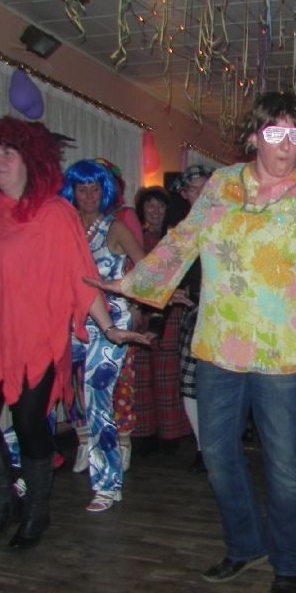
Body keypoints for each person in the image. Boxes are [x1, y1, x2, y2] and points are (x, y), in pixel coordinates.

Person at [91, 92, 296, 593]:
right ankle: (246, 544)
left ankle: (289, 560)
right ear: (254, 136)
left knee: (285, 462)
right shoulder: (221, 184)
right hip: (220, 342)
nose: (285, 146)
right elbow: (184, 240)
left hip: (284, 349)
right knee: (218, 454)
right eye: (275, 133)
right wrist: (133, 283)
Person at [0, 116, 148, 549]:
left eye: (9, 152)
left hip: (33, 339)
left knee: (28, 422)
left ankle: (37, 512)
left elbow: (79, 276)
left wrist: (109, 328)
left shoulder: (53, 213)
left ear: (31, 161)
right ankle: (4, 502)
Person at [61, 159, 146, 511]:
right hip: (71, 322)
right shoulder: (64, 227)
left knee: (98, 400)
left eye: (95, 189)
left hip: (109, 324)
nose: (88, 196)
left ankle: (108, 486)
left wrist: (127, 294)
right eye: (82, 189)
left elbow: (147, 272)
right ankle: (27, 469)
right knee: (49, 390)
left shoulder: (116, 227)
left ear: (105, 191)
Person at [131, 186, 192, 456]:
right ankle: (144, 433)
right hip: (140, 311)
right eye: (150, 205)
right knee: (141, 375)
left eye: (160, 206)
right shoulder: (135, 237)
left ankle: (170, 433)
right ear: (142, 209)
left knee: (167, 374)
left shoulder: (174, 237)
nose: (155, 211)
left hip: (171, 310)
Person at [169, 164, 215, 473]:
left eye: (204, 187)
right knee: (189, 383)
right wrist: (171, 291)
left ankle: (220, 447)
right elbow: (164, 272)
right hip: (193, 312)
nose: (200, 193)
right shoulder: (179, 229)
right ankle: (203, 447)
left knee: (220, 386)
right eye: (193, 189)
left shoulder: (228, 220)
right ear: (185, 194)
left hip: (226, 317)